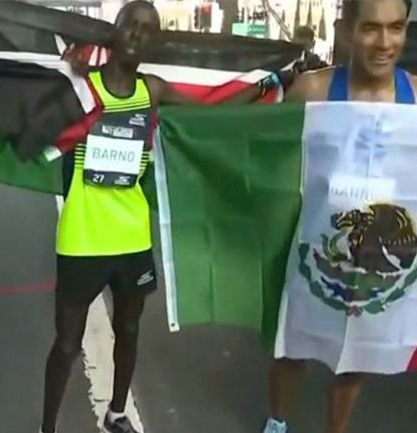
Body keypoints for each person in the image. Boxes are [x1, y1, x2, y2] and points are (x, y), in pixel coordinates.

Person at [42, 2, 276, 433]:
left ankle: (116, 414)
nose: (137, 34)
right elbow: (33, 99)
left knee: (129, 331)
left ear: (153, 42)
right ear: (114, 30)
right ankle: (47, 427)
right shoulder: (82, 87)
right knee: (66, 343)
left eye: (148, 30)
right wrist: (69, 69)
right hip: (81, 236)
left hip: (132, 237)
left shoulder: (153, 90)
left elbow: (207, 117)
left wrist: (263, 85)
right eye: (130, 24)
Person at [264, 1, 417, 433]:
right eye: (371, 29)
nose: (385, 43)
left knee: (359, 356)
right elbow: (263, 153)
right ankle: (277, 423)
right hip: (311, 248)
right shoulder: (312, 92)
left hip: (381, 260)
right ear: (346, 29)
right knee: (292, 344)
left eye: (396, 28)